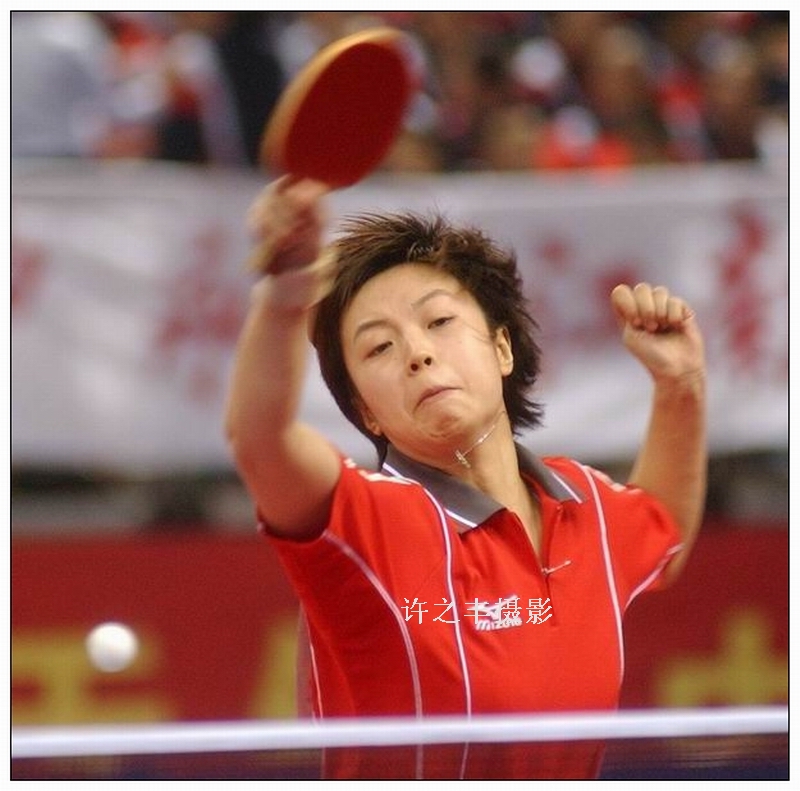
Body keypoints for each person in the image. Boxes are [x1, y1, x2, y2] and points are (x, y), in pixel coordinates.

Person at [224, 176, 707, 779]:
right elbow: (261, 439)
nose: (418, 353)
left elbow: (662, 531)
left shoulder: (584, 504)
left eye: (439, 321)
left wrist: (681, 387)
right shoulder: (369, 524)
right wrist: (286, 293)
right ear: (367, 412)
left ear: (502, 349)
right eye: (379, 349)